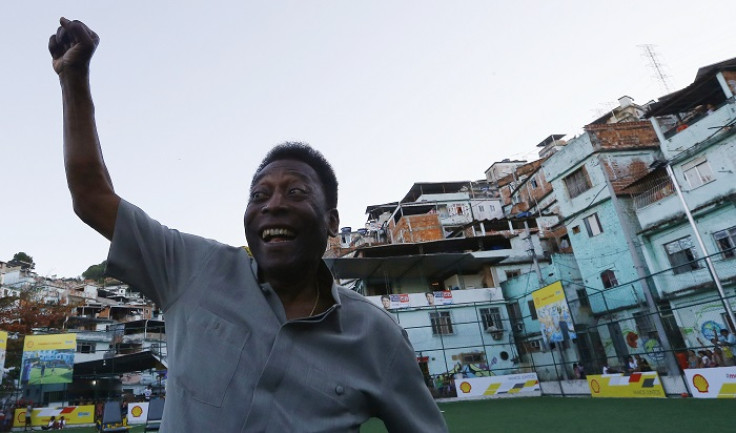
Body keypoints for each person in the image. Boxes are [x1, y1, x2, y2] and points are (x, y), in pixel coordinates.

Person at [49, 17, 447, 433]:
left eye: (295, 193)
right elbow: (91, 196)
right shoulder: (192, 268)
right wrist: (74, 78)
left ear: (332, 221)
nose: (272, 206)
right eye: (259, 195)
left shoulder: (376, 337)